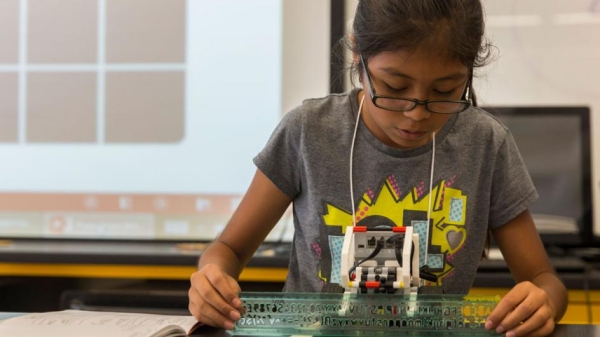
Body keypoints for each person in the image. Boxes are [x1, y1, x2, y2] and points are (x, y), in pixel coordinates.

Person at [188, 1, 568, 336]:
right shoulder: (309, 131)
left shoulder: (485, 144)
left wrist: (543, 303)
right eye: (394, 86)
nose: (416, 114)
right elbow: (228, 249)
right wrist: (212, 279)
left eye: (445, 91)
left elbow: (544, 281)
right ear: (358, 54)